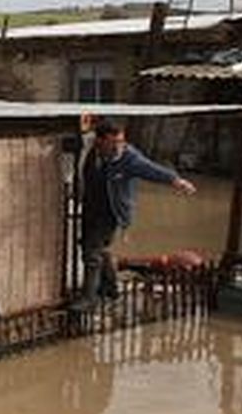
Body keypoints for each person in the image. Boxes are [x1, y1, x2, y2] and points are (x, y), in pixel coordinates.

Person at [75, 119, 196, 308]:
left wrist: (177, 181)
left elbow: (151, 169)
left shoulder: (128, 158)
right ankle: (111, 290)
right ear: (100, 140)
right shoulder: (88, 148)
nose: (118, 146)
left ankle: (89, 298)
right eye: (113, 142)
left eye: (121, 141)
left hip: (112, 211)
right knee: (98, 249)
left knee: (92, 253)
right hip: (91, 206)